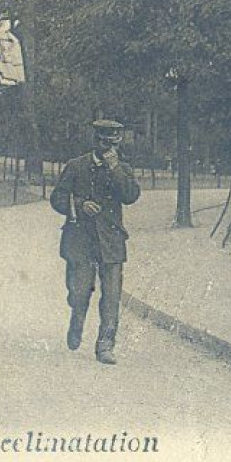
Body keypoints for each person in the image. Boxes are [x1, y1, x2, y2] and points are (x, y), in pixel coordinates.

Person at [50, 119, 141, 365]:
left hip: (111, 240)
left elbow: (131, 196)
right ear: (95, 140)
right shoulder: (76, 166)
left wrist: (115, 168)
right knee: (79, 292)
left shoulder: (123, 169)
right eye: (102, 141)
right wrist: (79, 205)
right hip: (80, 239)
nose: (107, 146)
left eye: (112, 142)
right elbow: (57, 197)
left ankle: (105, 344)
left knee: (111, 295)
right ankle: (77, 318)